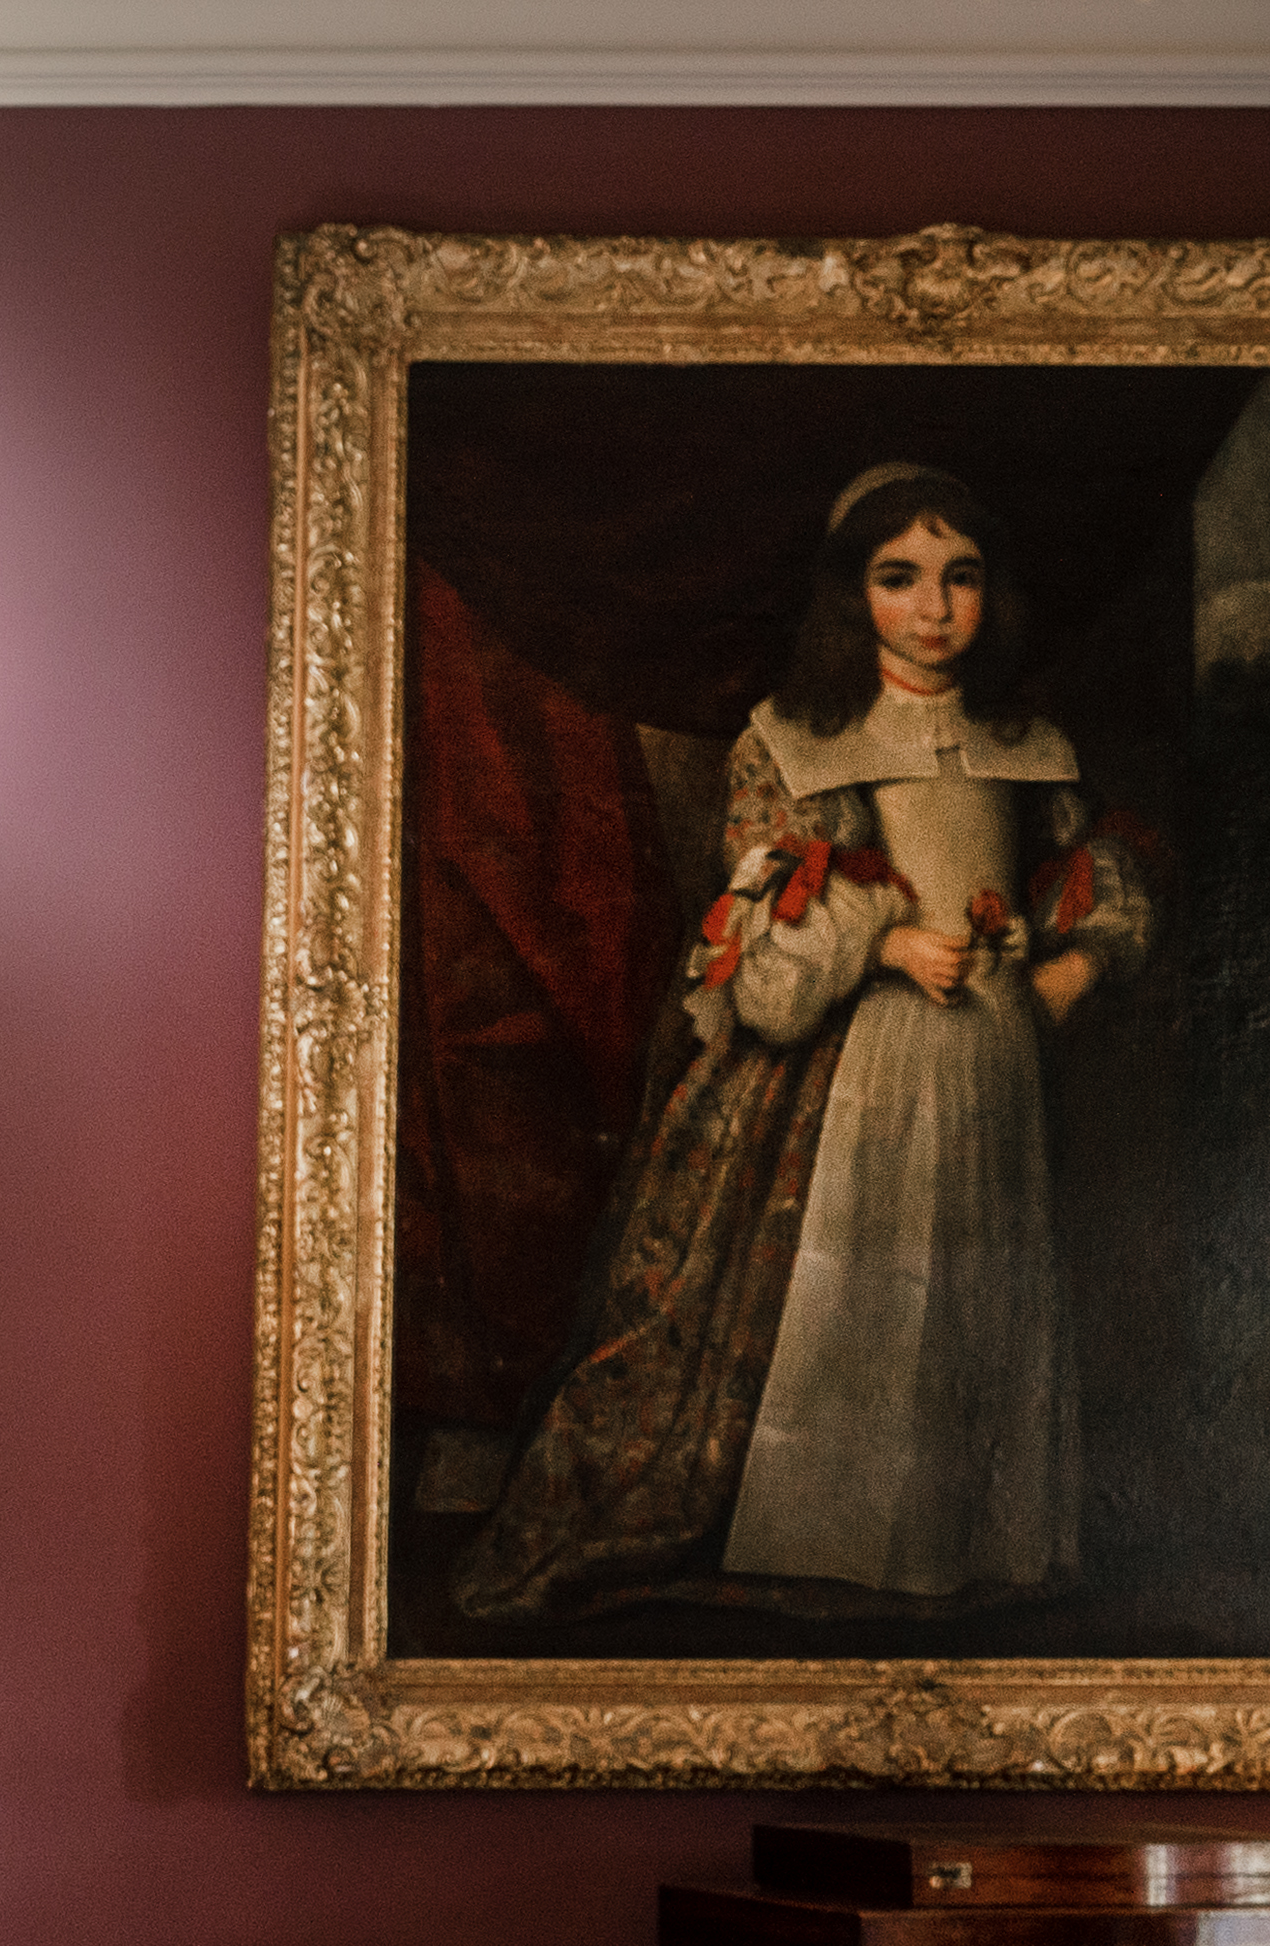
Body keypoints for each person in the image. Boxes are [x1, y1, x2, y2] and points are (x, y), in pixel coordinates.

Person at [455, 463, 1151, 1625]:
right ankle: (836, 1541)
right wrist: (885, 948)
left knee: (978, 1286)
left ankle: (970, 1542)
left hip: (994, 1058)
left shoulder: (1029, 742)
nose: (934, 608)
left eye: (960, 577)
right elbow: (763, 927)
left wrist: (1061, 964)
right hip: (861, 1067)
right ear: (852, 596)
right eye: (900, 578)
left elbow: (1072, 877)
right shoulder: (794, 740)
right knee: (869, 1289)